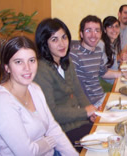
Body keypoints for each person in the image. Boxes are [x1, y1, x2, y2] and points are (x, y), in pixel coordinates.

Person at [0, 36, 78, 155]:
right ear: (7, 67)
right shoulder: (1, 101)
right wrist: (49, 142)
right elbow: (26, 153)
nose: (27, 68)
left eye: (31, 60)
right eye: (18, 62)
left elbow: (53, 128)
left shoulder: (34, 89)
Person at [34, 18, 97, 150]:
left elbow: (79, 91)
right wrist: (84, 112)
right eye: (54, 39)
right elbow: (51, 113)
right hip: (62, 131)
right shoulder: (41, 69)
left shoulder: (66, 62)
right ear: (45, 43)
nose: (62, 44)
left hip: (79, 123)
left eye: (64, 37)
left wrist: (91, 110)